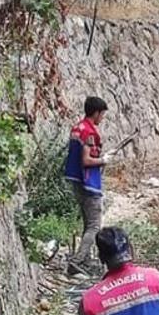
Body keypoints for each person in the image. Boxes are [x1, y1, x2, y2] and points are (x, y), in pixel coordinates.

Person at [64, 96, 109, 276]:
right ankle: (76, 261)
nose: (102, 118)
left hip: (76, 180)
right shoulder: (90, 133)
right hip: (89, 183)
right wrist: (102, 160)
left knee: (87, 223)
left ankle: (86, 260)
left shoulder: (77, 128)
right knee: (94, 226)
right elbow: (86, 160)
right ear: (96, 113)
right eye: (102, 114)